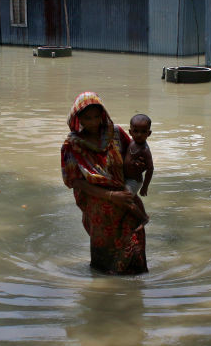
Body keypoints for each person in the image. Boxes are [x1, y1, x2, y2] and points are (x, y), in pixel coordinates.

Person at [61, 92, 148, 275]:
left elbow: (133, 155)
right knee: (104, 268)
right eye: (87, 118)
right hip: (100, 210)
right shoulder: (72, 145)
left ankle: (137, 300)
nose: (92, 122)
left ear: (103, 115)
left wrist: (139, 165)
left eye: (96, 117)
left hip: (125, 203)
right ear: (78, 119)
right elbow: (75, 181)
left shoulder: (115, 133)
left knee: (136, 259)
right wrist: (110, 195)